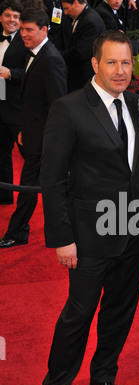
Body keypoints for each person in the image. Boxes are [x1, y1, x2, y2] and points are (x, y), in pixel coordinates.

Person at [40, 30, 139, 385]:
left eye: (126, 63)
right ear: (95, 65)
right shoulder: (69, 109)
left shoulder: (137, 104)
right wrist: (63, 238)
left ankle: (104, 376)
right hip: (87, 235)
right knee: (78, 315)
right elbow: (52, 180)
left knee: (120, 311)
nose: (120, 71)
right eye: (112, 63)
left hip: (133, 228)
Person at [0, 8, 67, 249]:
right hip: (32, 132)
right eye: (23, 29)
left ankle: (17, 231)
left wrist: (46, 139)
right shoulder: (36, 54)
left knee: (30, 186)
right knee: (48, 185)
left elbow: (57, 106)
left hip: (42, 139)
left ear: (44, 30)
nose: (23, 34)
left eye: (29, 30)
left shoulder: (51, 60)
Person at [0, 0, 26, 205]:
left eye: (16, 17)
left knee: (27, 153)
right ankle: (5, 194)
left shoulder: (25, 41)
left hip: (18, 105)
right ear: (1, 18)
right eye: (8, 15)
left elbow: (31, 72)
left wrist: (11, 74)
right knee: (2, 152)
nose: (12, 20)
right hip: (0, 101)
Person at [60, 0, 106, 92]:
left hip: (84, 79)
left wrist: (58, 55)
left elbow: (80, 53)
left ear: (76, 3)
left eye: (67, 8)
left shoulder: (90, 21)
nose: (65, 12)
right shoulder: (85, 17)